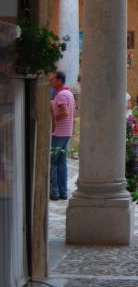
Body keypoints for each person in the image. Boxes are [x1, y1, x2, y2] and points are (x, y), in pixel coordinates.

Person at [49, 71, 75, 201]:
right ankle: (63, 191)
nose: (51, 81)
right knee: (62, 162)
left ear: (59, 81)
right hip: (66, 133)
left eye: (53, 79)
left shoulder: (61, 95)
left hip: (58, 133)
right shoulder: (69, 93)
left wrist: (52, 120)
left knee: (53, 163)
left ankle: (55, 191)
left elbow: (64, 112)